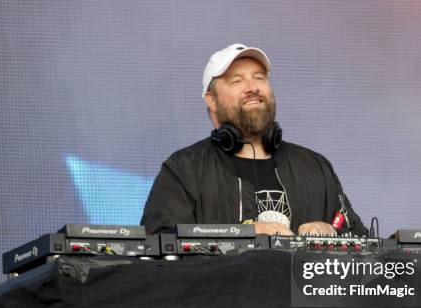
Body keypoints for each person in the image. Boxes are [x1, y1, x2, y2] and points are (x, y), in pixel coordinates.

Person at [141, 43, 367, 236]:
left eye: (259, 78)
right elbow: (159, 244)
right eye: (236, 81)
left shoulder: (316, 167)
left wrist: (331, 232)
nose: (252, 88)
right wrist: (245, 233)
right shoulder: (184, 169)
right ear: (211, 100)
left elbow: (361, 244)